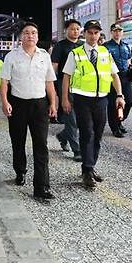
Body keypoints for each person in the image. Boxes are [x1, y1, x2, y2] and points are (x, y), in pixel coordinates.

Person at [61, 20, 125, 188]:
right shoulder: (75, 54)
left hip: (102, 99)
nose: (93, 36)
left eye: (96, 33)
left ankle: (90, 166)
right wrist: (65, 99)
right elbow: (66, 77)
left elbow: (114, 75)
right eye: (90, 32)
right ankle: (87, 170)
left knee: (97, 135)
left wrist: (119, 95)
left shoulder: (105, 52)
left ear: (99, 34)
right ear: (85, 34)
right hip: (82, 99)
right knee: (87, 133)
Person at [0, 22, 57, 199]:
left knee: (41, 145)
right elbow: (4, 82)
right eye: (26, 33)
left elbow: (49, 82)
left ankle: (42, 186)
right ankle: (20, 170)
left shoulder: (44, 56)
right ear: (20, 37)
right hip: (18, 105)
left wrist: (53, 103)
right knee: (18, 141)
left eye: (33, 33)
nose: (30, 36)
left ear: (37, 37)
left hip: (39, 105)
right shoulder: (11, 56)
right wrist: (5, 101)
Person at [51, 19, 83, 161]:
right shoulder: (60, 46)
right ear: (66, 30)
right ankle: (77, 150)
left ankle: (62, 136)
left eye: (77, 29)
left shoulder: (83, 46)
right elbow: (54, 67)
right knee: (71, 119)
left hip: (82, 87)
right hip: (65, 85)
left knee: (79, 119)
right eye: (72, 29)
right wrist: (52, 87)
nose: (75, 31)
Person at [103, 24, 132, 138]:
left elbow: (128, 60)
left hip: (125, 76)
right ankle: (114, 127)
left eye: (119, 31)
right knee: (112, 103)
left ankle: (120, 120)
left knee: (129, 101)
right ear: (111, 32)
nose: (117, 33)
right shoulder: (106, 46)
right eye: (115, 31)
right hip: (111, 76)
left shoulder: (126, 46)